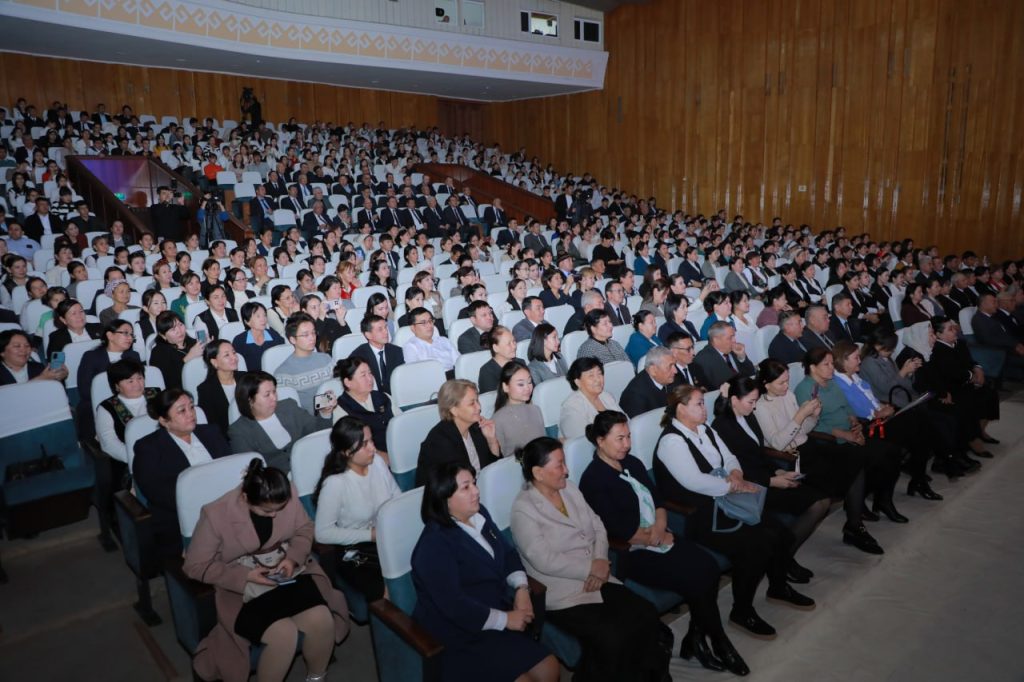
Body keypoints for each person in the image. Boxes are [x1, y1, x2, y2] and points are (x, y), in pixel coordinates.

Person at [579, 412, 749, 675]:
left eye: (629, 437)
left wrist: (660, 528)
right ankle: (718, 641)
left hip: (660, 535)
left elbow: (657, 501)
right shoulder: (593, 479)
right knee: (695, 578)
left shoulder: (632, 463)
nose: (627, 444)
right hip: (632, 551)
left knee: (709, 567)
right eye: (620, 439)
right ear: (600, 441)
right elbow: (615, 529)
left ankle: (697, 637)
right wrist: (654, 537)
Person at [653, 384, 814, 641]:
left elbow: (729, 457)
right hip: (701, 514)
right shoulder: (671, 442)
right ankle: (742, 610)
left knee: (778, 531)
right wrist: (733, 486)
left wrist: (736, 474)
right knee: (755, 545)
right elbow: (694, 481)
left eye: (703, 403)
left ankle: (778, 586)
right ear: (681, 409)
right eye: (698, 404)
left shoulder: (705, 429)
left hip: (727, 500)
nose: (704, 408)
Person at [510, 438, 670, 682]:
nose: (566, 470)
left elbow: (598, 526)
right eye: (560, 465)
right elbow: (543, 560)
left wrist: (601, 560)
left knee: (645, 614)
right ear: (538, 473)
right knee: (613, 635)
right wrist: (590, 568)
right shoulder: (523, 509)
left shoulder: (570, 489)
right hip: (563, 591)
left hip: (600, 575)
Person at [183, 458, 348, 682]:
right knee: (283, 635)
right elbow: (195, 565)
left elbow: (304, 528)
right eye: (267, 511)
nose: (274, 515)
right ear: (245, 498)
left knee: (322, 620)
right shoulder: (216, 514)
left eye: (279, 509)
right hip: (241, 587)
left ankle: (316, 677)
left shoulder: (285, 492)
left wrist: (292, 558)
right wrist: (245, 576)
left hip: (284, 571)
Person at [411, 461, 559, 682]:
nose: (476, 491)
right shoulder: (434, 545)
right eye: (466, 487)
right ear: (444, 499)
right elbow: (454, 605)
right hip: (458, 634)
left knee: (550, 668)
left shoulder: (479, 515)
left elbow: (508, 554)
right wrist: (505, 620)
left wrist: (521, 589)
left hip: (495, 613)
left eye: (474, 483)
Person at [754, 359, 881, 553]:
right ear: (766, 384)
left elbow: (803, 431)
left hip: (808, 446)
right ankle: (854, 526)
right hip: (792, 458)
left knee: (855, 458)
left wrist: (813, 416)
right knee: (845, 468)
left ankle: (854, 525)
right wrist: (800, 415)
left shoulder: (788, 395)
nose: (787, 386)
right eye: (781, 383)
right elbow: (779, 443)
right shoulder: (761, 407)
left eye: (787, 381)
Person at [712, 377, 831, 577]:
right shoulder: (722, 427)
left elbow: (761, 453)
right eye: (751, 401)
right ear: (734, 400)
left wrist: (778, 471)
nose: (754, 406)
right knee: (816, 504)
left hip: (767, 477)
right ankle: (783, 560)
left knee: (821, 501)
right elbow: (736, 469)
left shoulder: (748, 416)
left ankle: (783, 557)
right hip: (751, 487)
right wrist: (772, 481)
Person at [793, 348, 905, 523]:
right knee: (866, 457)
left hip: (849, 434)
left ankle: (882, 500)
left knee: (891, 451)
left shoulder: (832, 383)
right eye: (827, 364)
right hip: (829, 441)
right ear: (813, 368)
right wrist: (846, 435)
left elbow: (847, 408)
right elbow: (814, 425)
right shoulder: (804, 389)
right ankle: (855, 515)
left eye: (832, 363)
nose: (832, 368)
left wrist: (855, 423)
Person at [133, 388, 231, 559]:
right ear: (164, 420)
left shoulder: (211, 432)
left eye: (191, 407)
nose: (191, 414)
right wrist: (204, 507)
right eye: (182, 411)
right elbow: (157, 493)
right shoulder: (148, 448)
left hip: (225, 507)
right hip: (181, 517)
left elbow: (230, 469)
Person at [314, 416, 401, 601]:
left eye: (371, 440)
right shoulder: (336, 483)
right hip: (355, 548)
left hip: (386, 537)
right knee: (389, 590)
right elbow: (322, 533)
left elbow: (396, 498)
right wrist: (371, 535)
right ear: (347, 452)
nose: (373, 448)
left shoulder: (377, 462)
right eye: (364, 444)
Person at [228, 371, 335, 472]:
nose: (274, 398)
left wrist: (324, 412)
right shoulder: (239, 431)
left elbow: (318, 432)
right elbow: (250, 470)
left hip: (312, 465)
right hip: (277, 480)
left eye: (274, 392)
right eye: (267, 395)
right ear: (250, 401)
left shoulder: (289, 406)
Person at [75, 318, 142, 439]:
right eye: (125, 333)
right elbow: (85, 391)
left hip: (130, 402)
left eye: (131, 335)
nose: (130, 338)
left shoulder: (133, 356)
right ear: (110, 335)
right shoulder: (91, 357)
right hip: (97, 405)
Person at [95, 358, 160, 459]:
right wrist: (135, 459)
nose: (137, 384)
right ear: (117, 386)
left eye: (140, 378)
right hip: (132, 458)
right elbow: (109, 443)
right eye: (130, 381)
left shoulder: (157, 395)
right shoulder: (107, 408)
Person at [332, 356, 398, 456]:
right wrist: (382, 457)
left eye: (370, 373)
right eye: (363, 375)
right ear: (348, 382)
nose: (370, 378)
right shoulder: (341, 409)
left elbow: (401, 425)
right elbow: (351, 447)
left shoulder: (384, 397)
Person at [275, 313, 335, 413]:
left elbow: (338, 389)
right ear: (292, 339)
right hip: (311, 420)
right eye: (305, 335)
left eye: (313, 332)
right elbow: (291, 411)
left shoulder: (326, 359)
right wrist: (325, 404)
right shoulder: (283, 374)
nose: (312, 338)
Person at [559, 357, 622, 440]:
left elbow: (626, 422)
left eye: (599, 374)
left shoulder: (606, 396)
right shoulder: (571, 408)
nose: (598, 379)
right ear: (578, 382)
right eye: (591, 376)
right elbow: (582, 443)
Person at [491, 362, 545, 457]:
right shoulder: (498, 419)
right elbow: (500, 459)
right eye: (521, 384)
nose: (527, 388)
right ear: (505, 387)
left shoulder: (536, 410)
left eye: (529, 382)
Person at [196, 340, 245, 438]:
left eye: (234, 353)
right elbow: (212, 425)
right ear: (214, 362)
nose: (234, 358)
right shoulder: (206, 389)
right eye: (227, 355)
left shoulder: (245, 378)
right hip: (228, 436)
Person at [351, 314, 404, 395]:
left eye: (385, 327)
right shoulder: (358, 357)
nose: (386, 332)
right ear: (368, 335)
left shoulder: (397, 351)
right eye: (380, 329)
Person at [149, 310, 203, 389]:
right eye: (173, 329)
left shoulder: (193, 342)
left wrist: (210, 350)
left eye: (180, 325)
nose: (179, 331)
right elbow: (168, 381)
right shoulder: (158, 352)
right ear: (163, 335)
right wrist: (188, 357)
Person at [619, 346, 677, 418]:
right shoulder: (635, 396)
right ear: (653, 370)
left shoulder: (669, 378)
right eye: (670, 366)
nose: (675, 371)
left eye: (674, 365)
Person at [694, 321, 756, 387]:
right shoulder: (703, 360)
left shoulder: (733, 350)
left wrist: (742, 357)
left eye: (734, 336)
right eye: (730, 337)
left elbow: (752, 373)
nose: (734, 340)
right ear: (716, 340)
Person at [402, 307, 459, 373]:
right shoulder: (410, 347)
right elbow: (414, 373)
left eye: (430, 321)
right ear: (413, 328)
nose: (429, 325)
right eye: (423, 323)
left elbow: (459, 362)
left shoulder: (444, 340)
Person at [0, 328, 66, 385]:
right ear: (2, 352)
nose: (24, 350)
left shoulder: (39, 368)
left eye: (27, 346)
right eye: (17, 346)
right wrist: (41, 379)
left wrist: (57, 378)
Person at [232, 302, 285, 371]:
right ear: (247, 321)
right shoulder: (239, 341)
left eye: (264, 315)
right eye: (258, 316)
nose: (263, 319)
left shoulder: (274, 335)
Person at [478, 325, 522, 393]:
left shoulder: (520, 363)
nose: (514, 346)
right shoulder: (487, 372)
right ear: (496, 348)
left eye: (514, 341)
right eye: (508, 344)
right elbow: (492, 397)